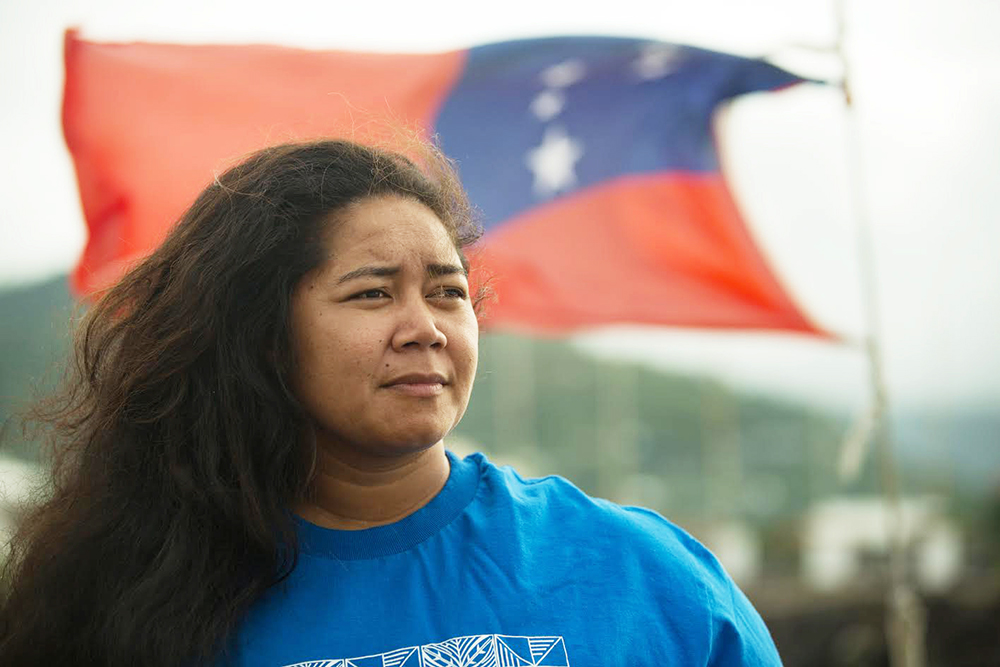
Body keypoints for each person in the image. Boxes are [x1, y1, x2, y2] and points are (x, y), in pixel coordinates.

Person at [0, 139, 781, 666]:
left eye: (448, 293)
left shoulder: (638, 573)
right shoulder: (123, 600)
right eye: (372, 293)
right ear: (262, 336)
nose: (426, 329)